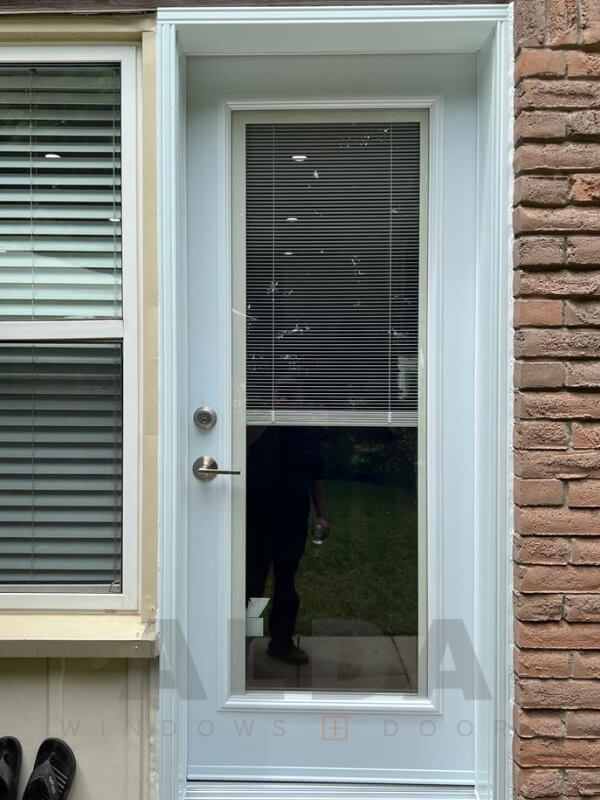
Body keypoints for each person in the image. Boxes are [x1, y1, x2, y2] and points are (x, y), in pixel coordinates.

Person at [246, 424, 328, 665]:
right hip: (256, 518)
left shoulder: (306, 433)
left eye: (294, 393)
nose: (287, 398)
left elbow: (317, 475)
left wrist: (322, 514)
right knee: (252, 585)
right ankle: (243, 642)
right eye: (281, 391)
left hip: (292, 518)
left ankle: (281, 643)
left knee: (286, 584)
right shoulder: (257, 426)